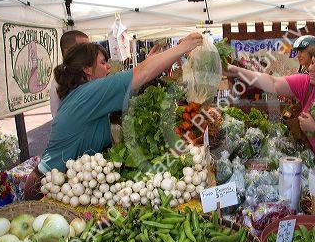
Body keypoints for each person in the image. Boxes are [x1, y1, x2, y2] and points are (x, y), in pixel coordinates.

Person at [24, 33, 203, 200]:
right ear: (87, 69)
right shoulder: (88, 93)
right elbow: (140, 73)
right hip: (46, 188)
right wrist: (183, 47)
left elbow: (133, 81)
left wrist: (151, 61)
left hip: (68, 185)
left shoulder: (84, 93)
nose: (108, 67)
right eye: (102, 62)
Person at [225, 44, 315, 172]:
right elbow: (272, 83)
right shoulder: (307, 84)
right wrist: (235, 70)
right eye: (312, 62)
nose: (311, 68)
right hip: (314, 167)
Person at [50, 30, 89, 118]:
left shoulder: (80, 72)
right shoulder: (62, 78)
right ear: (67, 51)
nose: (88, 53)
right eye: (83, 49)